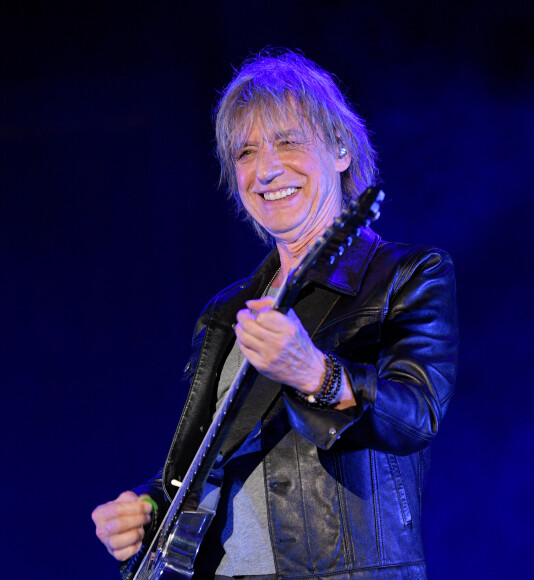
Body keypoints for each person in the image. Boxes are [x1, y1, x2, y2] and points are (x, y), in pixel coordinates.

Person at [92, 50, 458, 579]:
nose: (265, 169)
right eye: (245, 152)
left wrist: (317, 373)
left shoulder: (407, 274)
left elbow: (416, 413)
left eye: (287, 141)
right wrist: (148, 509)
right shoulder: (227, 310)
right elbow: (206, 459)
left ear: (340, 150)